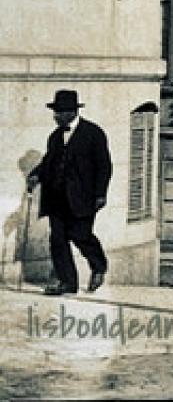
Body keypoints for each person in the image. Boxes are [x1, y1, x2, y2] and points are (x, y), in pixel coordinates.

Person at [24, 89, 112, 295]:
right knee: (58, 240)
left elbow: (104, 166)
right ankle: (67, 282)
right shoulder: (55, 137)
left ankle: (98, 266)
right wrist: (36, 175)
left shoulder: (93, 133)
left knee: (80, 235)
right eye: (55, 111)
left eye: (60, 111)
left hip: (82, 198)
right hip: (56, 198)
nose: (56, 116)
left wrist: (100, 194)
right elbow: (49, 162)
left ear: (72, 112)